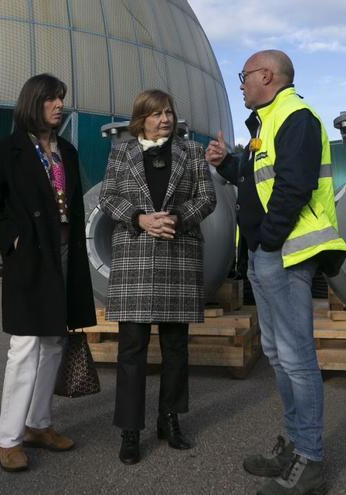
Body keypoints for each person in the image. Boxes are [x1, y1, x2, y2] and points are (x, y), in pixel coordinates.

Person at [205, 50, 346, 495]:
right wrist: (225, 163)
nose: (241, 83)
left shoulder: (295, 117)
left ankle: (310, 460)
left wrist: (267, 240)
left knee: (297, 358)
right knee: (278, 353)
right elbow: (256, 179)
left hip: (284, 254)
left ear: (267, 76)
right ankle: (295, 447)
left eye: (244, 75)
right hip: (267, 255)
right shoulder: (267, 123)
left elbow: (293, 186)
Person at [0, 73, 96, 473]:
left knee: (54, 342)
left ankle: (38, 424)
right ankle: (7, 439)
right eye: (50, 99)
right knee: (25, 346)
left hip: (65, 253)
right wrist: (14, 241)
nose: (59, 105)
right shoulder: (5, 151)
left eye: (61, 98)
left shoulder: (68, 151)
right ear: (33, 102)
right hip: (30, 257)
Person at [99, 89, 217, 465]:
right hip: (135, 257)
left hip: (178, 254)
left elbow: (206, 198)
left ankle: (169, 420)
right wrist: (139, 219)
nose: (164, 119)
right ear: (141, 119)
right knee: (131, 350)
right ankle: (130, 431)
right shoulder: (121, 152)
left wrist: (176, 218)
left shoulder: (192, 152)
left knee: (176, 348)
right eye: (155, 114)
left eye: (168, 112)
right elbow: (108, 196)